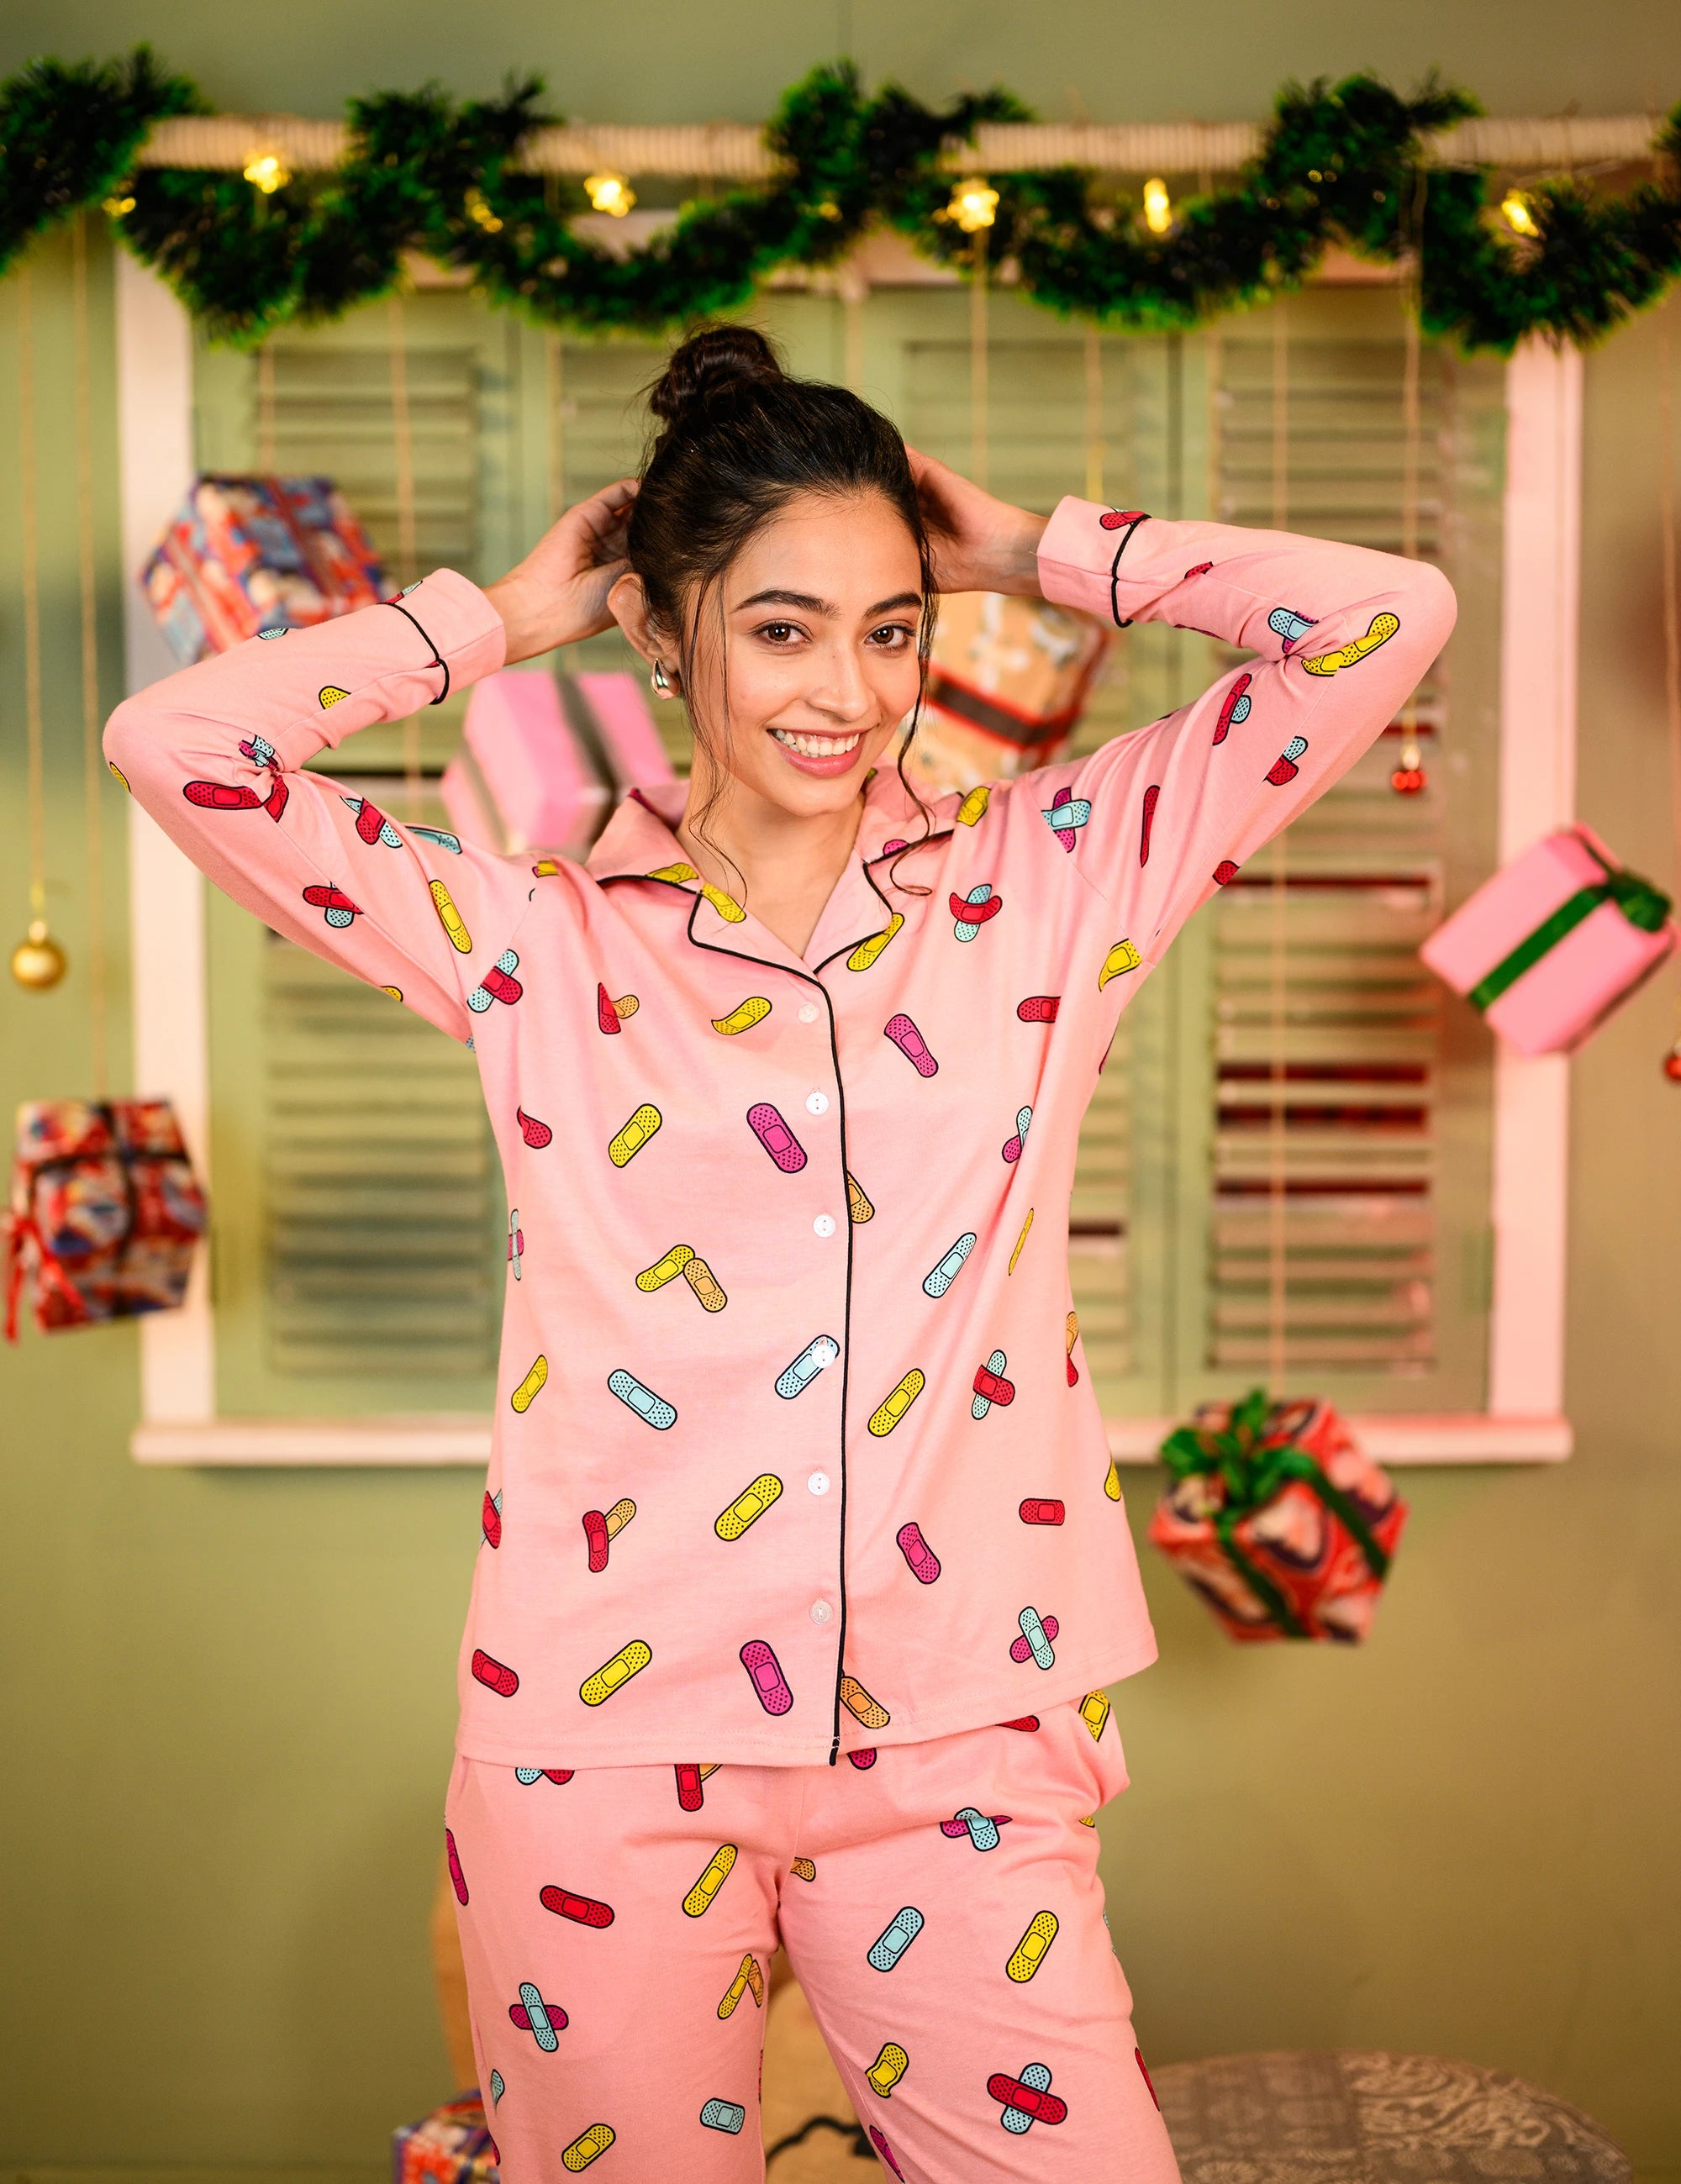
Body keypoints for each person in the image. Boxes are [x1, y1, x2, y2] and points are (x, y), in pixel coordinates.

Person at [106, 324, 1455, 2182]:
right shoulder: (531, 945)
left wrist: (1041, 554)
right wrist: (496, 616)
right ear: (662, 631)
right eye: (780, 626)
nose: (848, 687)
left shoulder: (1050, 876)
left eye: (890, 627)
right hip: (595, 1746)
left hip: (964, 1726)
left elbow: (1390, 615)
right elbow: (174, 742)